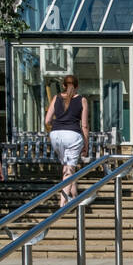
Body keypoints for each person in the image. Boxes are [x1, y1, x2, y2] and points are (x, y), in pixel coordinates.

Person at [45, 74, 89, 208]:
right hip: (72, 135)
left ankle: (75, 197)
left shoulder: (55, 98)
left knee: (68, 167)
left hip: (56, 134)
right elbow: (85, 125)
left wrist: (58, 125)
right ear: (77, 86)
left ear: (63, 86)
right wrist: (86, 144)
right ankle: (63, 204)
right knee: (69, 170)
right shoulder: (82, 100)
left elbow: (47, 120)